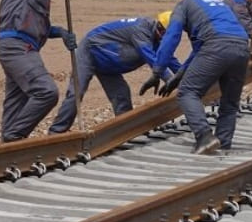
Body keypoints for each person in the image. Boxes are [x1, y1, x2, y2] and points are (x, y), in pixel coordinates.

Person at [140, 0, 250, 154]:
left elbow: (171, 38)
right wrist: (180, 74)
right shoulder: (217, 2)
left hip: (216, 47)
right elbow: (201, 48)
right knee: (230, 103)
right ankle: (222, 144)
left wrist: (157, 71)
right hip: (241, 46)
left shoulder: (184, 5)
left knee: (187, 92)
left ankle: (204, 136)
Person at [0, 0, 76, 142]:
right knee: (46, 92)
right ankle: (15, 136)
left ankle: (9, 146)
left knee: (15, 106)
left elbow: (34, 22)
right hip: (18, 47)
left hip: (17, 46)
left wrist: (59, 32)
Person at [47, 12, 182, 133]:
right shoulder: (141, 30)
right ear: (161, 28)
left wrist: (186, 79)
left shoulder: (158, 40)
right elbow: (153, 60)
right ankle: (56, 131)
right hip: (90, 52)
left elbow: (170, 60)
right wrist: (171, 81)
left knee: (122, 94)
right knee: (77, 92)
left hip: (109, 63)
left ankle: (126, 131)